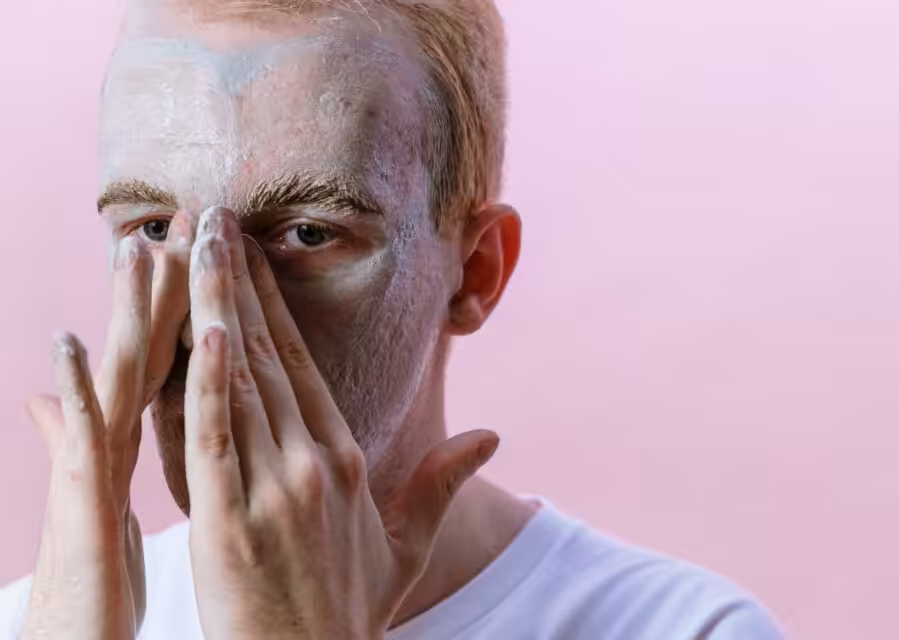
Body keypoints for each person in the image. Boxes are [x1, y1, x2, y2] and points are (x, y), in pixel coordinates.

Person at [0, 0, 783, 638]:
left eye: (309, 233)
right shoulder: (37, 622)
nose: (208, 312)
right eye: (152, 228)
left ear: (474, 272)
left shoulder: (684, 630)